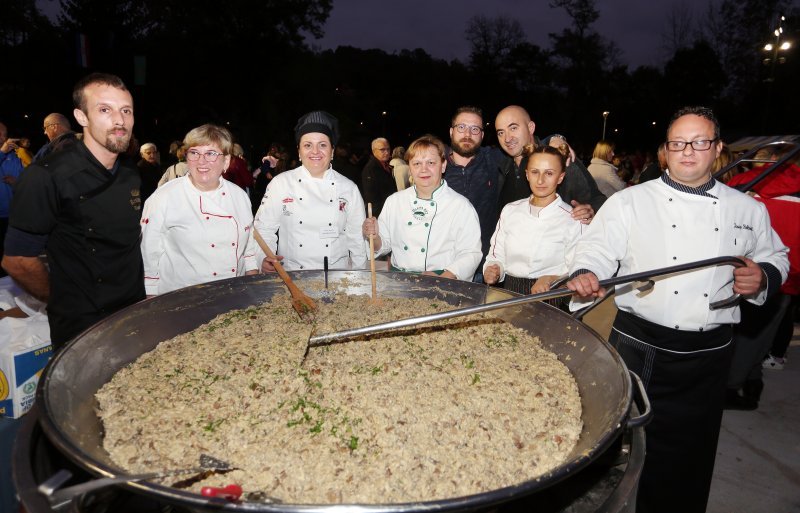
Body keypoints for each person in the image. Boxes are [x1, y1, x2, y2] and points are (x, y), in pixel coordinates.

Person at [566, 106, 789, 513]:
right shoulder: (631, 200)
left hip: (708, 355)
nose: (688, 151)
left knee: (686, 462)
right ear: (665, 151)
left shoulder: (747, 209)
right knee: (612, 452)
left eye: (700, 142)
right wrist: (585, 272)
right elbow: (596, 248)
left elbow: (777, 256)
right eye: (677, 143)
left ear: (717, 148)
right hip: (638, 345)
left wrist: (763, 276)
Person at [2, 72, 146, 349]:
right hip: (82, 326)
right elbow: (16, 260)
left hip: (132, 313)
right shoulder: (46, 176)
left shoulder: (130, 173)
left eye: (126, 110)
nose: (120, 120)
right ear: (81, 117)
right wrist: (61, 300)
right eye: (105, 110)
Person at [140, 124, 259, 296]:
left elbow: (248, 247)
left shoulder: (239, 195)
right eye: (194, 153)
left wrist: (251, 278)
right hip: (182, 297)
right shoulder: (164, 197)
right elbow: (148, 253)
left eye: (211, 153)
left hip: (234, 294)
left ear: (226, 161)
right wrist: (151, 298)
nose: (201, 161)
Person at [724, 146, 800, 408]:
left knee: (738, 332)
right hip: (785, 276)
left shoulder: (744, 182)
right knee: (762, 334)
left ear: (767, 160)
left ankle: (731, 388)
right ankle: (752, 382)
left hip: (739, 270)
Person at [254, 110, 367, 272]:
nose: (315, 152)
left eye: (322, 145)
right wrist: (264, 258)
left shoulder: (349, 188)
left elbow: (357, 239)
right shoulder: (281, 184)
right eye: (308, 145)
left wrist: (359, 279)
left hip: (336, 277)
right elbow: (264, 229)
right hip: (292, 276)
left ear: (332, 151)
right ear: (299, 152)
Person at [362, 134, 481, 280]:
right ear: (410, 169)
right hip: (399, 282)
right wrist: (373, 236)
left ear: (443, 165)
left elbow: (471, 253)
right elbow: (383, 244)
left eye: (431, 163)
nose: (423, 169)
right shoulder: (395, 201)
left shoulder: (460, 206)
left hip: (443, 282)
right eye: (417, 163)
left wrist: (445, 278)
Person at [484, 145, 584, 306]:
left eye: (549, 173)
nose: (540, 180)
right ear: (527, 175)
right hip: (510, 293)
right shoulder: (510, 210)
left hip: (552, 297)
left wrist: (552, 278)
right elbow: (497, 254)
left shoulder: (573, 218)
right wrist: (494, 269)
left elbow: (580, 266)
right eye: (535, 172)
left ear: (560, 177)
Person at [494, 105, 604, 220]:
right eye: (501, 133)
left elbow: (598, 199)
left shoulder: (558, 158)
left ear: (530, 127)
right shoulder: (500, 164)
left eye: (513, 128)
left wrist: (591, 210)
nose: (507, 138)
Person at [444, 106, 507, 282]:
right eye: (461, 127)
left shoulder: (493, 160)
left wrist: (554, 139)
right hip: (444, 265)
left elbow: (523, 146)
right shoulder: (436, 166)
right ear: (451, 131)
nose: (467, 134)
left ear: (482, 135)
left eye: (475, 129)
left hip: (483, 266)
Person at [0, 122, 26, 277]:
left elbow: (24, 182)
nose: (3, 138)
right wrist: (1, 153)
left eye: (5, 134)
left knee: (11, 258)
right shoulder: (4, 153)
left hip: (12, 215)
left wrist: (17, 183)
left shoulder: (14, 157)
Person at [361, 137, 396, 217]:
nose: (387, 152)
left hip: (389, 212)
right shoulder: (370, 170)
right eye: (382, 150)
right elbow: (371, 199)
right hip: (381, 216)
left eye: (388, 149)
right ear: (374, 151)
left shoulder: (386, 166)